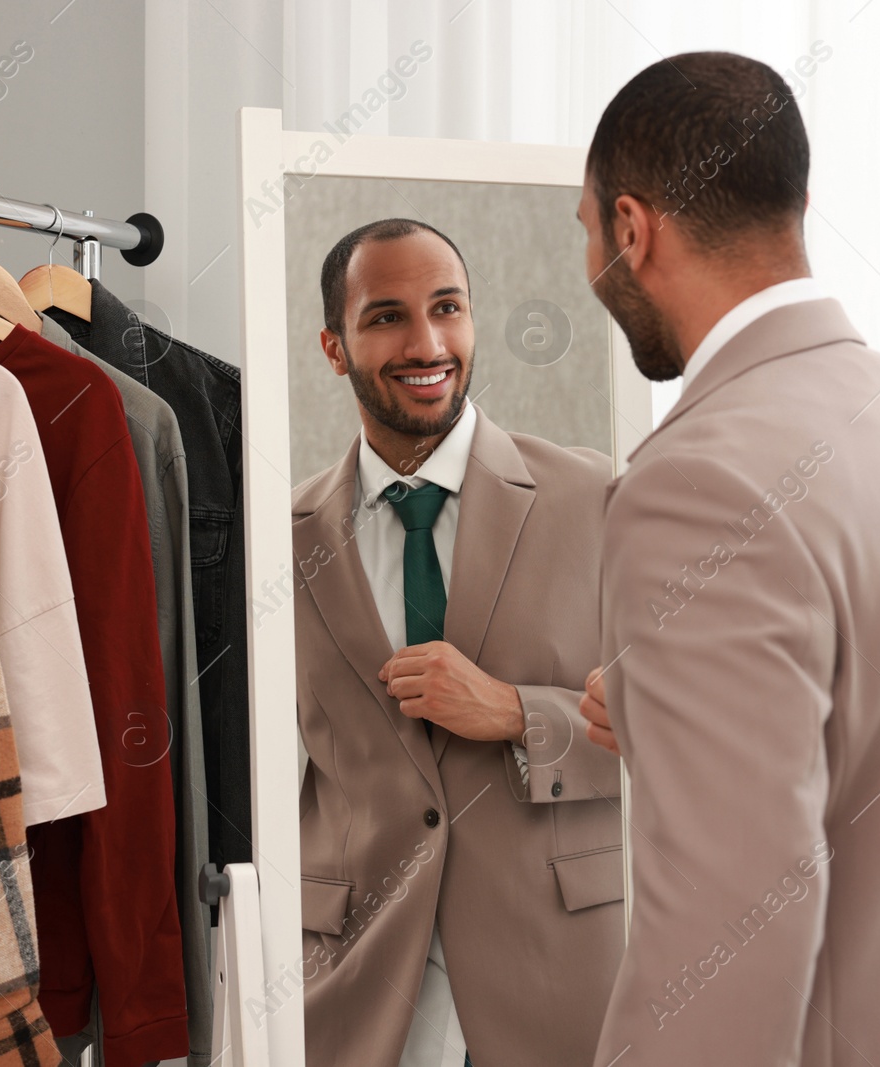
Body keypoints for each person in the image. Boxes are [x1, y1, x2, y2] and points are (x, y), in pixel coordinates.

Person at [574, 51, 880, 1065]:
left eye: (587, 235)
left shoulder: (694, 484)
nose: (591, 270)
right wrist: (709, 724)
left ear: (632, 228)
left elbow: (722, 943)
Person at [292, 217, 626, 1067]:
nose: (427, 341)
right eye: (386, 317)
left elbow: (684, 730)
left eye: (448, 307)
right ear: (334, 347)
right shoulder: (281, 536)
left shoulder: (592, 495)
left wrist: (518, 713)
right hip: (355, 976)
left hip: (557, 968)